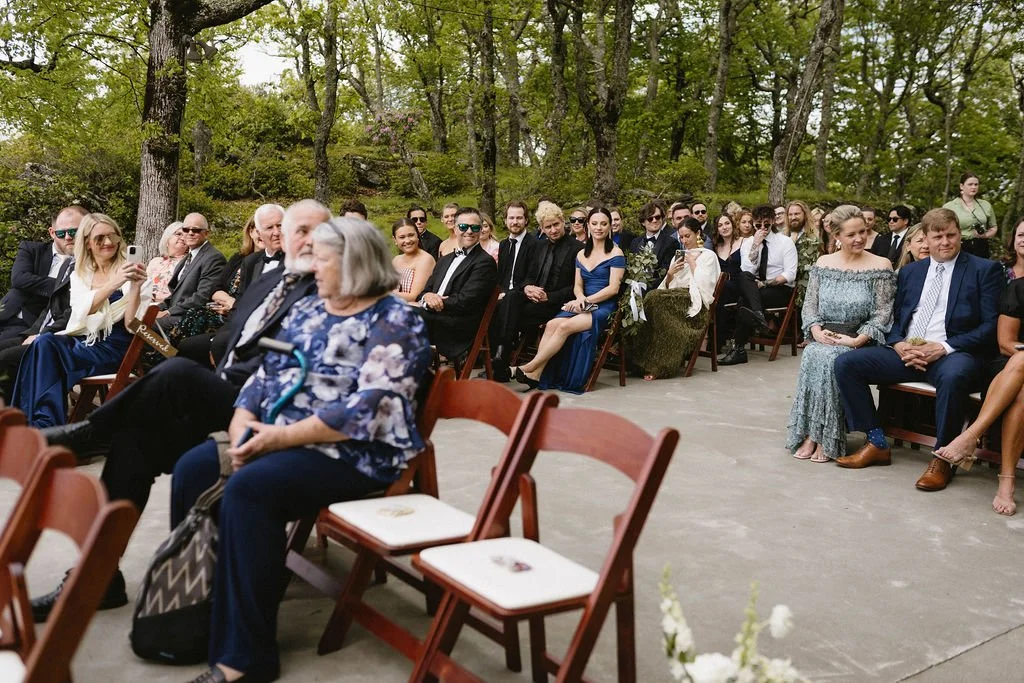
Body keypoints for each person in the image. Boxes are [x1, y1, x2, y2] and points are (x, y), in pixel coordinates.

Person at [31, 200, 328, 622]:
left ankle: (92, 433)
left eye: (308, 230)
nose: (294, 237)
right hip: (227, 396)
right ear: (260, 235)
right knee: (135, 442)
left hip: (269, 410)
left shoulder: (331, 286)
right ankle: (96, 577)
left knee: (177, 372)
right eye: (285, 229)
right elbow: (232, 339)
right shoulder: (265, 279)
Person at [175, 218, 431, 683]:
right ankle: (196, 617)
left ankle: (246, 657)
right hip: (282, 437)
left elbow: (368, 409)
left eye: (322, 258)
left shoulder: (396, 320)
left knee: (251, 488)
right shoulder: (312, 310)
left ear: (354, 264)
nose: (311, 266)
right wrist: (242, 421)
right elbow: (266, 371)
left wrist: (276, 439)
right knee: (194, 467)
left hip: (356, 453)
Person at [833, 208, 1003, 492]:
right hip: (907, 352)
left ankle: (943, 458)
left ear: (960, 235)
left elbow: (990, 327)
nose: (945, 242)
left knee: (953, 377)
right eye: (938, 237)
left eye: (951, 235)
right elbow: (896, 319)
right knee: (847, 364)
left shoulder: (984, 270)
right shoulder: (911, 272)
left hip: (953, 354)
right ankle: (876, 442)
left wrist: (943, 347)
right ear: (925, 237)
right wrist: (899, 344)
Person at [11, 213, 150, 428]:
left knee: (45, 351)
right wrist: (114, 282)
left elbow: (133, 325)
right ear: (87, 243)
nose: (108, 243)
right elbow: (81, 311)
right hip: (85, 341)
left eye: (113, 236)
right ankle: (35, 423)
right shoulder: (80, 274)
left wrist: (135, 287)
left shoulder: (134, 271)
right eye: (99, 238)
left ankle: (41, 425)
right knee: (43, 343)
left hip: (115, 347)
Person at [787, 206, 895, 463]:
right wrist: (814, 329)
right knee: (814, 352)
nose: (859, 238)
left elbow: (883, 313)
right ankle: (813, 434)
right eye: (851, 234)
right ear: (836, 235)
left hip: (860, 339)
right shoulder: (824, 263)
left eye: (862, 232)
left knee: (830, 359)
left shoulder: (880, 265)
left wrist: (859, 339)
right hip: (824, 334)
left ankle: (826, 437)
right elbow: (810, 304)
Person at [934, 275, 1024, 515]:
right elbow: (1006, 342)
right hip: (1011, 367)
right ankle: (1006, 480)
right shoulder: (1019, 288)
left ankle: (971, 436)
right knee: (1022, 382)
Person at [513, 206, 625, 394]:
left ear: (609, 227)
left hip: (602, 306)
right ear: (588, 225)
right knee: (551, 325)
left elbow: (613, 289)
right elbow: (577, 286)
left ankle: (528, 367)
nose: (599, 228)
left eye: (603, 224)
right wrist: (580, 298)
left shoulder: (616, 253)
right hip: (581, 301)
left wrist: (585, 301)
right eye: (595, 223)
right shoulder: (582, 254)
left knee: (564, 327)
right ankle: (536, 374)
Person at [489, 201, 581, 382]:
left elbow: (576, 286)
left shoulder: (577, 249)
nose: (553, 230)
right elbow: (529, 276)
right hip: (534, 299)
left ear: (563, 222)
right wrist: (528, 287)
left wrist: (550, 296)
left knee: (505, 309)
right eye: (548, 227)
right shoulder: (540, 247)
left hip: (556, 303)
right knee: (510, 298)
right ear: (541, 228)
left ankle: (501, 355)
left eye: (556, 224)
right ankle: (502, 354)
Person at [632, 218, 721, 380]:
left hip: (692, 298)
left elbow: (706, 287)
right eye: (681, 237)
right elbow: (667, 286)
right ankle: (639, 358)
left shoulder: (709, 256)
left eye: (688, 236)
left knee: (654, 298)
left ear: (698, 234)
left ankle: (660, 365)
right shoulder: (678, 256)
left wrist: (693, 264)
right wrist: (671, 273)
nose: (684, 240)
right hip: (673, 295)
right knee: (652, 300)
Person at [417, 206, 498, 367]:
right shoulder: (445, 260)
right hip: (436, 317)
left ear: (481, 229)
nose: (469, 231)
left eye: (474, 227)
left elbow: (466, 301)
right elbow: (424, 292)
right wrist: (427, 297)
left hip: (457, 325)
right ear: (455, 228)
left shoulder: (485, 262)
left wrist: (434, 303)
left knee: (400, 317)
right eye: (463, 227)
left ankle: (412, 379)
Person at [719, 205, 798, 366]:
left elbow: (790, 275)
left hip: (779, 289)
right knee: (744, 277)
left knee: (744, 301)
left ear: (773, 222)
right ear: (754, 223)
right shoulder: (749, 242)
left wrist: (764, 283)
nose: (763, 228)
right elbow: (747, 270)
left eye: (766, 225)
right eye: (758, 225)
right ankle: (758, 316)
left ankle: (739, 349)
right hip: (755, 289)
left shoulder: (785, 242)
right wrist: (756, 245)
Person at [0, 205, 85, 340]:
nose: (68, 237)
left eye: (74, 232)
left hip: (31, 325)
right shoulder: (32, 249)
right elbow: (19, 279)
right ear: (52, 233)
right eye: (61, 233)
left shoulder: (87, 264)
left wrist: (34, 282)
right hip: (6, 311)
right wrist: (62, 287)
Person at [157, 212, 227, 331]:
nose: (190, 233)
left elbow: (202, 296)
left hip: (190, 318)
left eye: (196, 230)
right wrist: (158, 308)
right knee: (133, 319)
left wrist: (169, 312)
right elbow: (175, 294)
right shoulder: (188, 257)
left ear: (206, 233)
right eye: (186, 229)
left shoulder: (213, 257)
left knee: (143, 325)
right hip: (176, 312)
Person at [944, 172, 998, 258]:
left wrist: (985, 235)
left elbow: (994, 226)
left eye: (976, 184)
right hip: (960, 246)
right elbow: (943, 229)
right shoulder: (949, 207)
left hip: (981, 246)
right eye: (970, 184)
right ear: (962, 186)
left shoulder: (985, 205)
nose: (973, 187)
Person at [240, 204, 286, 292]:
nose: (276, 233)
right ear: (259, 233)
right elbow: (242, 300)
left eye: (280, 226)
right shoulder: (250, 262)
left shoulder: (298, 260)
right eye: (269, 228)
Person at [713, 214, 743, 347]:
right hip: (721, 287)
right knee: (717, 292)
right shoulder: (715, 247)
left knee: (721, 290)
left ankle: (717, 342)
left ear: (732, 224)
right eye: (720, 225)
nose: (724, 227)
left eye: (727, 223)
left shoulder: (743, 242)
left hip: (738, 285)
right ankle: (714, 339)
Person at [391, 217, 435, 302]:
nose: (407, 241)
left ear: (417, 235)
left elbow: (415, 296)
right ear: (395, 240)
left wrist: (383, 294)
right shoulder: (396, 260)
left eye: (411, 235)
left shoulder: (425, 259)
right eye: (402, 237)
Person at [145, 222, 187, 304]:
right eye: (178, 234)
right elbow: (144, 285)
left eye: (185, 236)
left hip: (171, 306)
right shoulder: (156, 262)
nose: (183, 238)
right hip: (148, 304)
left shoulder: (189, 263)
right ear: (167, 239)